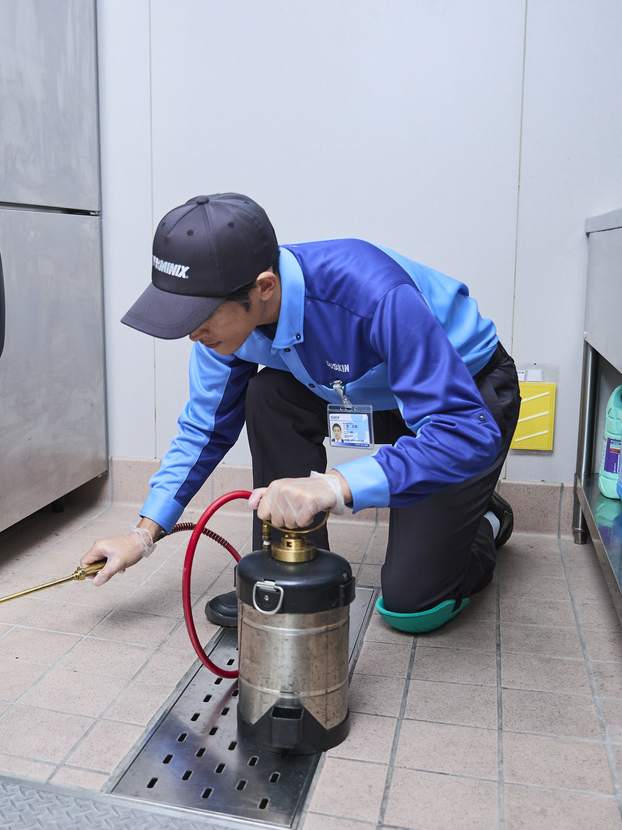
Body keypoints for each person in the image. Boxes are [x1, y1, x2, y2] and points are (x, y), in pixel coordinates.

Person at [80, 193, 519, 633]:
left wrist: (335, 486)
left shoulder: (373, 295)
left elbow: (463, 432)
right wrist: (143, 533)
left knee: (413, 606)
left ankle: (482, 519)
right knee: (268, 393)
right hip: (363, 396)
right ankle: (287, 572)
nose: (192, 333)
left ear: (264, 287)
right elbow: (203, 429)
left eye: (200, 315)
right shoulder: (220, 331)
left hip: (461, 402)